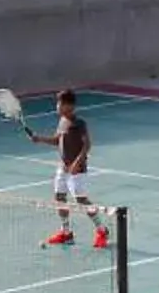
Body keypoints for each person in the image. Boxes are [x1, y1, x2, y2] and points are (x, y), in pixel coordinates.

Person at [23, 88, 110, 250]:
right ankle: (66, 232)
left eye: (60, 104)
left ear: (70, 106)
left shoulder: (79, 123)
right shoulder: (62, 121)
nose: (57, 106)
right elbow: (57, 140)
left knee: (81, 200)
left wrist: (77, 162)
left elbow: (87, 144)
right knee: (59, 197)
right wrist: (39, 138)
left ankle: (102, 230)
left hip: (77, 170)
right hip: (62, 168)